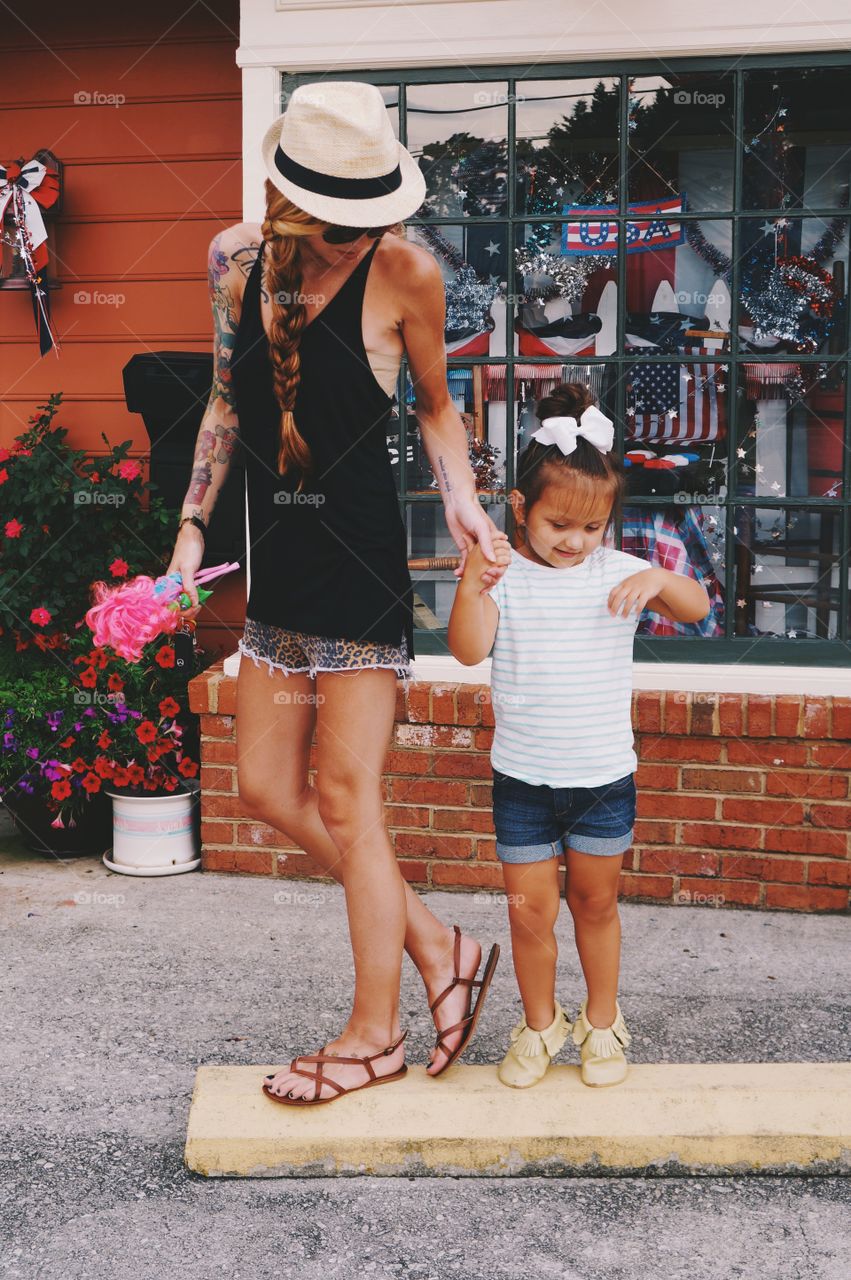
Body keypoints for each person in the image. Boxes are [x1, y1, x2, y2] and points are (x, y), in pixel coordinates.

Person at [166, 82, 506, 1105]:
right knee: (266, 787)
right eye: (344, 220)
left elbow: (440, 412)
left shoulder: (407, 270)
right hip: (279, 559)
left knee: (352, 799)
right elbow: (227, 403)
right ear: (291, 202)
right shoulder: (234, 263)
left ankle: (375, 1033)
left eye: (374, 214)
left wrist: (462, 501)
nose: (366, 233)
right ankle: (439, 943)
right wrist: (189, 534)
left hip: (359, 558)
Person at [447, 382, 711, 1088]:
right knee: (530, 916)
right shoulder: (502, 578)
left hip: (601, 782)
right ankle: (540, 1025)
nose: (574, 541)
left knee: (595, 905)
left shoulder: (620, 572)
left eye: (591, 528)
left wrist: (658, 575)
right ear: (520, 509)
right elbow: (468, 651)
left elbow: (697, 607)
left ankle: (601, 1023)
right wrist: (472, 584)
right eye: (559, 524)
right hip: (523, 784)